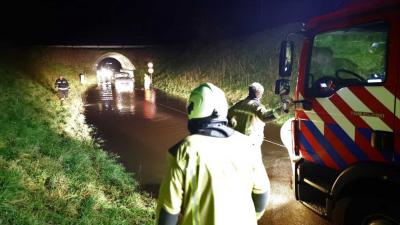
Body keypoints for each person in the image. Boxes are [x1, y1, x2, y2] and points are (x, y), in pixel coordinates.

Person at [156, 83, 270, 225]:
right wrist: (253, 217)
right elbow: (262, 194)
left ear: (193, 108)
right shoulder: (248, 146)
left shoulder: (184, 150)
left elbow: (168, 212)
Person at [228, 82, 283, 147]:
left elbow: (226, 116)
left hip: (234, 141)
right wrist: (283, 110)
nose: (262, 95)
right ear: (258, 93)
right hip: (249, 143)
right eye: (262, 93)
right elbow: (265, 117)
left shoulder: (238, 104)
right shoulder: (256, 105)